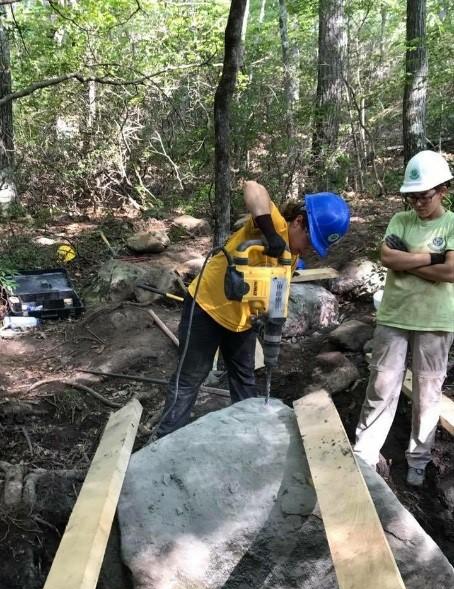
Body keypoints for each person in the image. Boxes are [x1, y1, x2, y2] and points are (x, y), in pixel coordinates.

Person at [155, 180, 350, 438]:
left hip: (243, 321)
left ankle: (249, 435)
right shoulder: (275, 223)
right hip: (208, 308)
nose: (308, 249)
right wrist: (269, 234)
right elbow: (252, 187)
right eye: (310, 240)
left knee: (244, 379)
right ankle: (166, 438)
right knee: (190, 378)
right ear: (299, 221)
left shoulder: (291, 256)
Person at [354, 150, 454, 487]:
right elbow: (387, 257)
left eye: (423, 196)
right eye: (411, 197)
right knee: (381, 384)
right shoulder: (399, 220)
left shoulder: (452, 222)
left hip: (436, 320)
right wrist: (432, 259)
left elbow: (451, 271)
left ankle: (419, 459)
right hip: (394, 315)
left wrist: (407, 259)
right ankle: (365, 452)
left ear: (443, 189)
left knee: (428, 392)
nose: (417, 203)